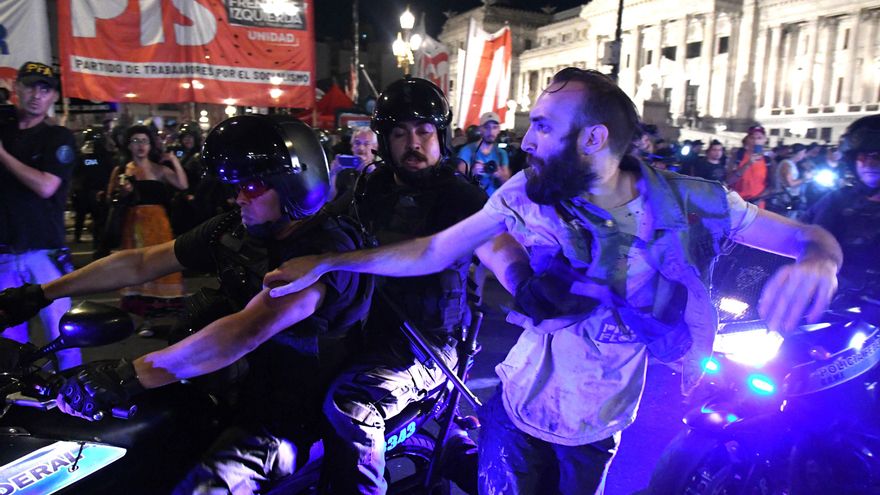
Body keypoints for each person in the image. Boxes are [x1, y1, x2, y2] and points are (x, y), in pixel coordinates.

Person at [264, 68, 842, 494]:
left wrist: (819, 261)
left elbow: (809, 239)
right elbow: (433, 251)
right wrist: (328, 263)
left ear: (592, 139)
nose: (526, 140)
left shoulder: (691, 202)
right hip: (514, 410)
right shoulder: (523, 193)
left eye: (542, 125)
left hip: (597, 425)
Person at [0, 115, 373, 493]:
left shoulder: (325, 251)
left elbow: (245, 331)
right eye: (236, 185)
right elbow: (142, 262)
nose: (238, 196)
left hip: (287, 416)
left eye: (251, 185)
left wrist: (127, 374)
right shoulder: (236, 229)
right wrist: (41, 293)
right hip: (219, 392)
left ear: (292, 183)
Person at [315, 77, 522, 495]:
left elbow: (499, 247)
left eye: (424, 131)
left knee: (352, 403)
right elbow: (323, 228)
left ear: (440, 136)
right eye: (399, 133)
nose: (413, 143)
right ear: (385, 141)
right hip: (364, 330)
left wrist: (527, 282)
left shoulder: (460, 198)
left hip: (426, 346)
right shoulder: (368, 189)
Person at [0, 62, 79, 370]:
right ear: (16, 89)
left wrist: (3, 156)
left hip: (44, 254)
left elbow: (47, 186)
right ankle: (18, 407)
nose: (36, 95)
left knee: (61, 335)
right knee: (9, 343)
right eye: (30, 86)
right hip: (4, 254)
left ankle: (75, 405)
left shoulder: (57, 137)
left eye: (45, 89)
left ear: (53, 97)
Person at [108, 124, 188, 317]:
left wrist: (173, 160)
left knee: (160, 263)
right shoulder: (121, 170)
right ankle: (140, 314)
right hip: (133, 224)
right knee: (137, 266)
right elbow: (110, 198)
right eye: (135, 141)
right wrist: (123, 192)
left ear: (151, 145)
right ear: (128, 145)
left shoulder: (159, 169)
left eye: (144, 141)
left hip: (158, 224)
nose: (140, 145)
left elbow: (183, 185)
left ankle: (158, 310)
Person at [803, 114, 880, 294]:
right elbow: (810, 236)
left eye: (877, 155)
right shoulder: (837, 200)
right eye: (861, 156)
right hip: (835, 299)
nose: (868, 163)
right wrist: (817, 259)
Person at [71, 126, 116, 245]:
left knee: (95, 218)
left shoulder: (96, 155)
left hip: (93, 191)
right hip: (90, 190)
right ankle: (93, 240)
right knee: (93, 218)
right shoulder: (99, 155)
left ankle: (91, 239)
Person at [457, 111, 511, 194]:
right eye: (487, 127)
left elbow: (507, 184)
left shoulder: (501, 153)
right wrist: (472, 173)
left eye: (495, 127)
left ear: (499, 130)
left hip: (493, 202)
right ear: (480, 129)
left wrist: (499, 174)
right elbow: (459, 182)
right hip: (474, 201)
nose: (491, 131)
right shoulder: (467, 151)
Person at [328, 125, 378, 199]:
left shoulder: (383, 170)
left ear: (375, 147)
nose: (361, 148)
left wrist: (374, 173)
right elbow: (329, 199)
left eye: (366, 144)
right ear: (352, 147)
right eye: (357, 143)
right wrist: (332, 174)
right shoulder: (343, 169)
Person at [727, 125, 769, 208]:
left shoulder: (768, 161)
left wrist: (758, 198)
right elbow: (729, 180)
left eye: (759, 138)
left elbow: (773, 186)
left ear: (765, 140)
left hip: (758, 207)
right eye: (752, 138)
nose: (755, 141)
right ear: (747, 139)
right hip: (737, 203)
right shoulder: (737, 157)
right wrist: (748, 164)